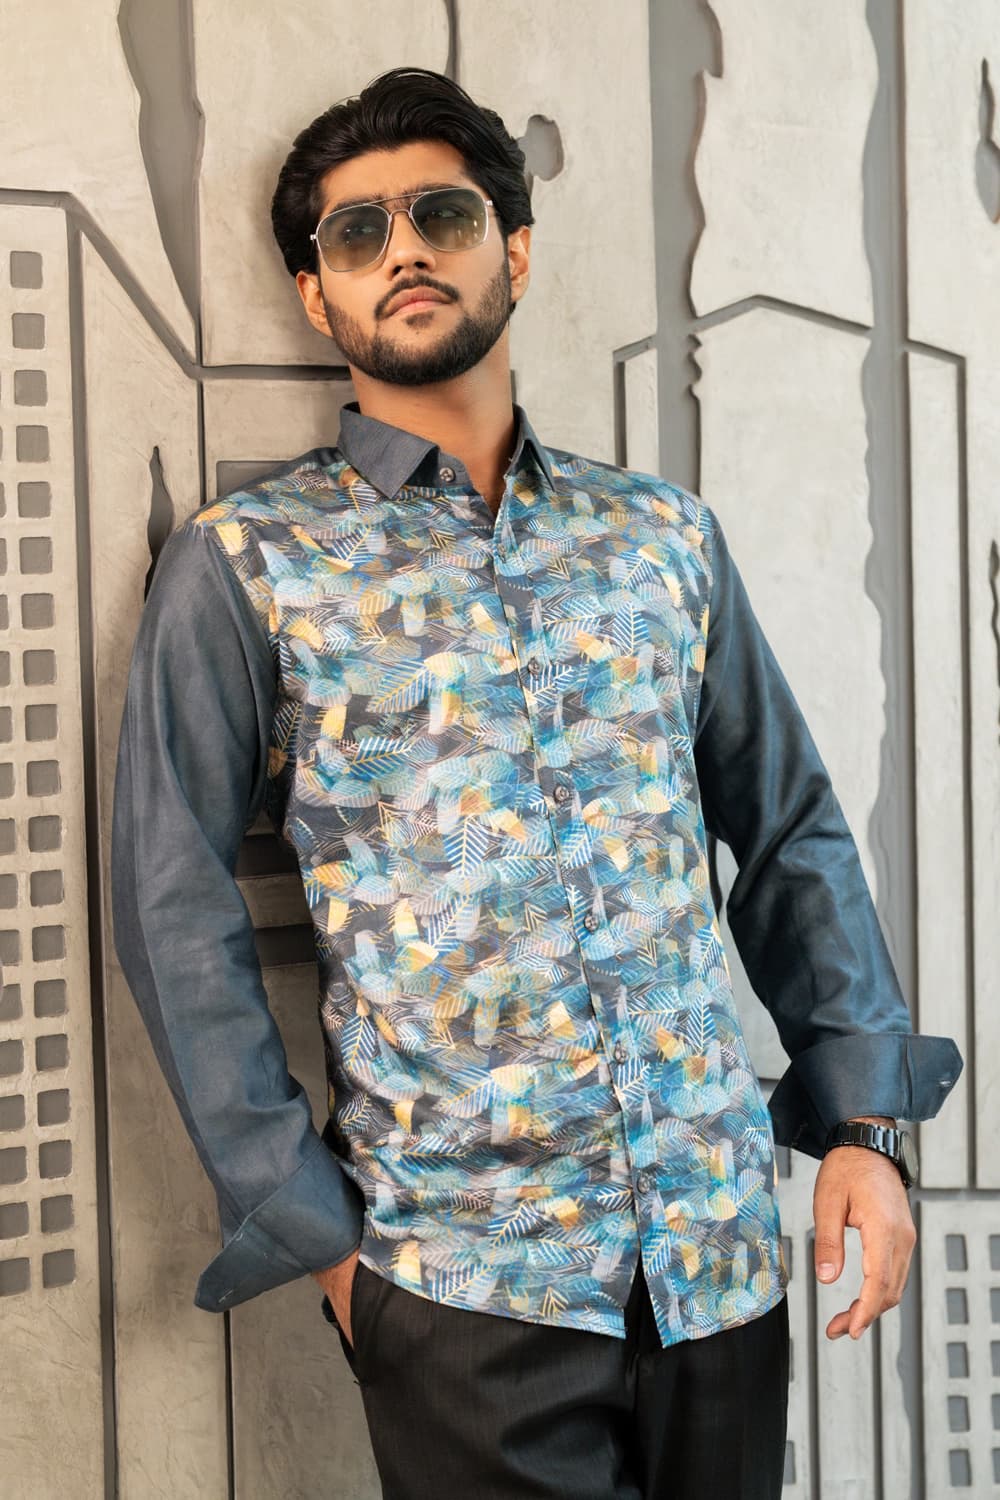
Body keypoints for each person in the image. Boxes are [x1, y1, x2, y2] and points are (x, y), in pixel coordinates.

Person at [110, 64, 963, 1500]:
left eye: (442, 215)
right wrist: (317, 1233)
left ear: (513, 250)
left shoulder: (662, 541)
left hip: (717, 1259)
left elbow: (790, 829)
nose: (404, 250)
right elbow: (170, 901)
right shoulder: (249, 564)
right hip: (463, 1287)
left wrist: (864, 1129)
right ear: (316, 296)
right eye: (357, 233)